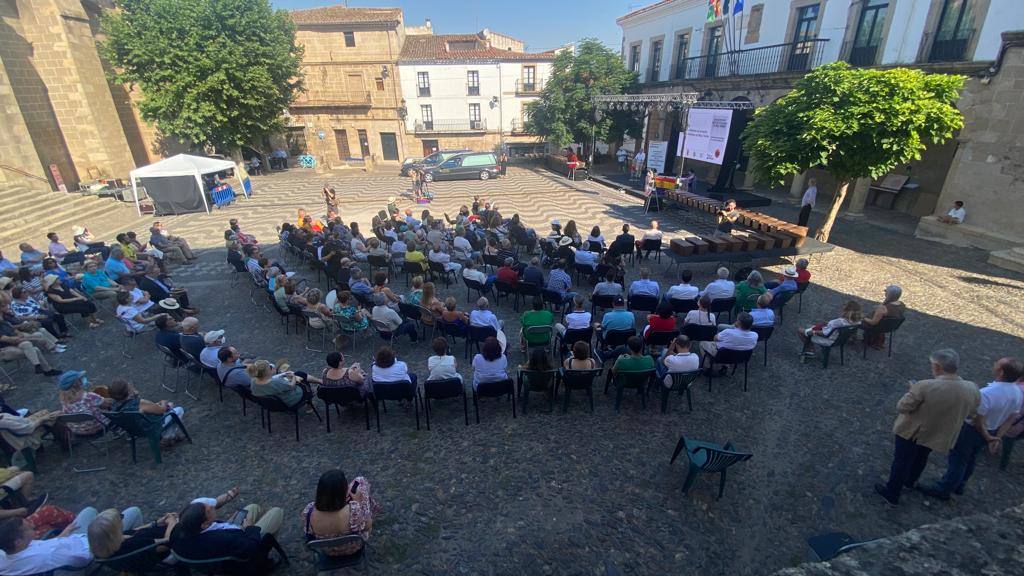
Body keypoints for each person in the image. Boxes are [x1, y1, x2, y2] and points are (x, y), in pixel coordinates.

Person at [875, 349, 981, 505]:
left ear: (937, 367)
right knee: (921, 457)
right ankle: (910, 482)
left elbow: (902, 407)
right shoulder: (972, 388)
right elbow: (972, 412)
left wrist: (912, 390)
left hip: (913, 431)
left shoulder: (924, 386)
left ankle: (892, 492)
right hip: (938, 432)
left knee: (902, 461)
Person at [919, 357, 1024, 500]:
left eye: (996, 364)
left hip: (972, 431)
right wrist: (996, 437)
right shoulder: (1017, 392)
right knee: (971, 459)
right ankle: (960, 485)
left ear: (1000, 372)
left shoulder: (988, 393)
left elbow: (977, 420)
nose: (994, 365)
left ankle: (944, 489)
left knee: (958, 460)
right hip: (992, 429)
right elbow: (1011, 418)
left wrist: (987, 436)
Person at [170, 495, 283, 573]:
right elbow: (251, 547)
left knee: (252, 507)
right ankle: (264, 563)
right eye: (208, 511)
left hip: (224, 543)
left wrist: (226, 523)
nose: (211, 506)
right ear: (204, 524)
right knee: (276, 512)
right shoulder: (223, 539)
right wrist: (250, 528)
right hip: (243, 558)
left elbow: (214, 532)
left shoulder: (178, 530)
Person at [301, 469, 380, 557]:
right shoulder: (353, 511)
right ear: (343, 492)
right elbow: (368, 526)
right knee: (360, 482)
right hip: (353, 548)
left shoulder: (308, 512)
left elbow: (308, 532)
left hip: (328, 551)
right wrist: (357, 502)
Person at [87, 507, 176, 568]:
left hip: (147, 545)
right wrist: (172, 521)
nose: (122, 518)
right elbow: (166, 543)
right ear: (115, 532)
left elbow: (134, 531)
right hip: (166, 550)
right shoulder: (133, 545)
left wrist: (154, 523)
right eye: (120, 518)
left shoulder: (104, 547)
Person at [107, 379, 187, 445]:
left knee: (164, 407)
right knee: (177, 410)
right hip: (149, 427)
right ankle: (168, 437)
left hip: (134, 429)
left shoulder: (113, 406)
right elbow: (161, 410)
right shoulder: (139, 403)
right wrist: (164, 403)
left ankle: (168, 436)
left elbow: (141, 410)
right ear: (127, 391)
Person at [796, 301, 862, 360]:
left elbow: (825, 333)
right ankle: (811, 349)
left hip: (828, 339)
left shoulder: (839, 321)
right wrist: (828, 324)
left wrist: (814, 332)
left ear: (846, 311)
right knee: (816, 326)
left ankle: (810, 349)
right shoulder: (858, 322)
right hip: (840, 340)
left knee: (800, 331)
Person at [247, 360, 315, 410]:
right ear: (267, 372)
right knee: (302, 378)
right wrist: (293, 376)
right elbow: (292, 386)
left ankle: (318, 383)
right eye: (270, 367)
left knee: (299, 374)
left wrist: (282, 375)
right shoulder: (276, 382)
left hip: (269, 404)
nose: (272, 367)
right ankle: (309, 399)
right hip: (288, 402)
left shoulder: (253, 382)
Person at [58, 370, 110, 436]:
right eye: (79, 378)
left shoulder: (64, 401)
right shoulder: (89, 396)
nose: (82, 379)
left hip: (79, 432)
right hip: (99, 428)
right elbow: (107, 404)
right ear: (75, 383)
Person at [861, 284, 906, 349]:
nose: (885, 292)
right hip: (890, 326)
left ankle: (852, 337)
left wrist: (863, 318)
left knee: (855, 318)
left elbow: (873, 323)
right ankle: (877, 340)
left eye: (886, 292)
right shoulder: (902, 305)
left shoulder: (883, 308)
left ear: (889, 295)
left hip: (878, 327)